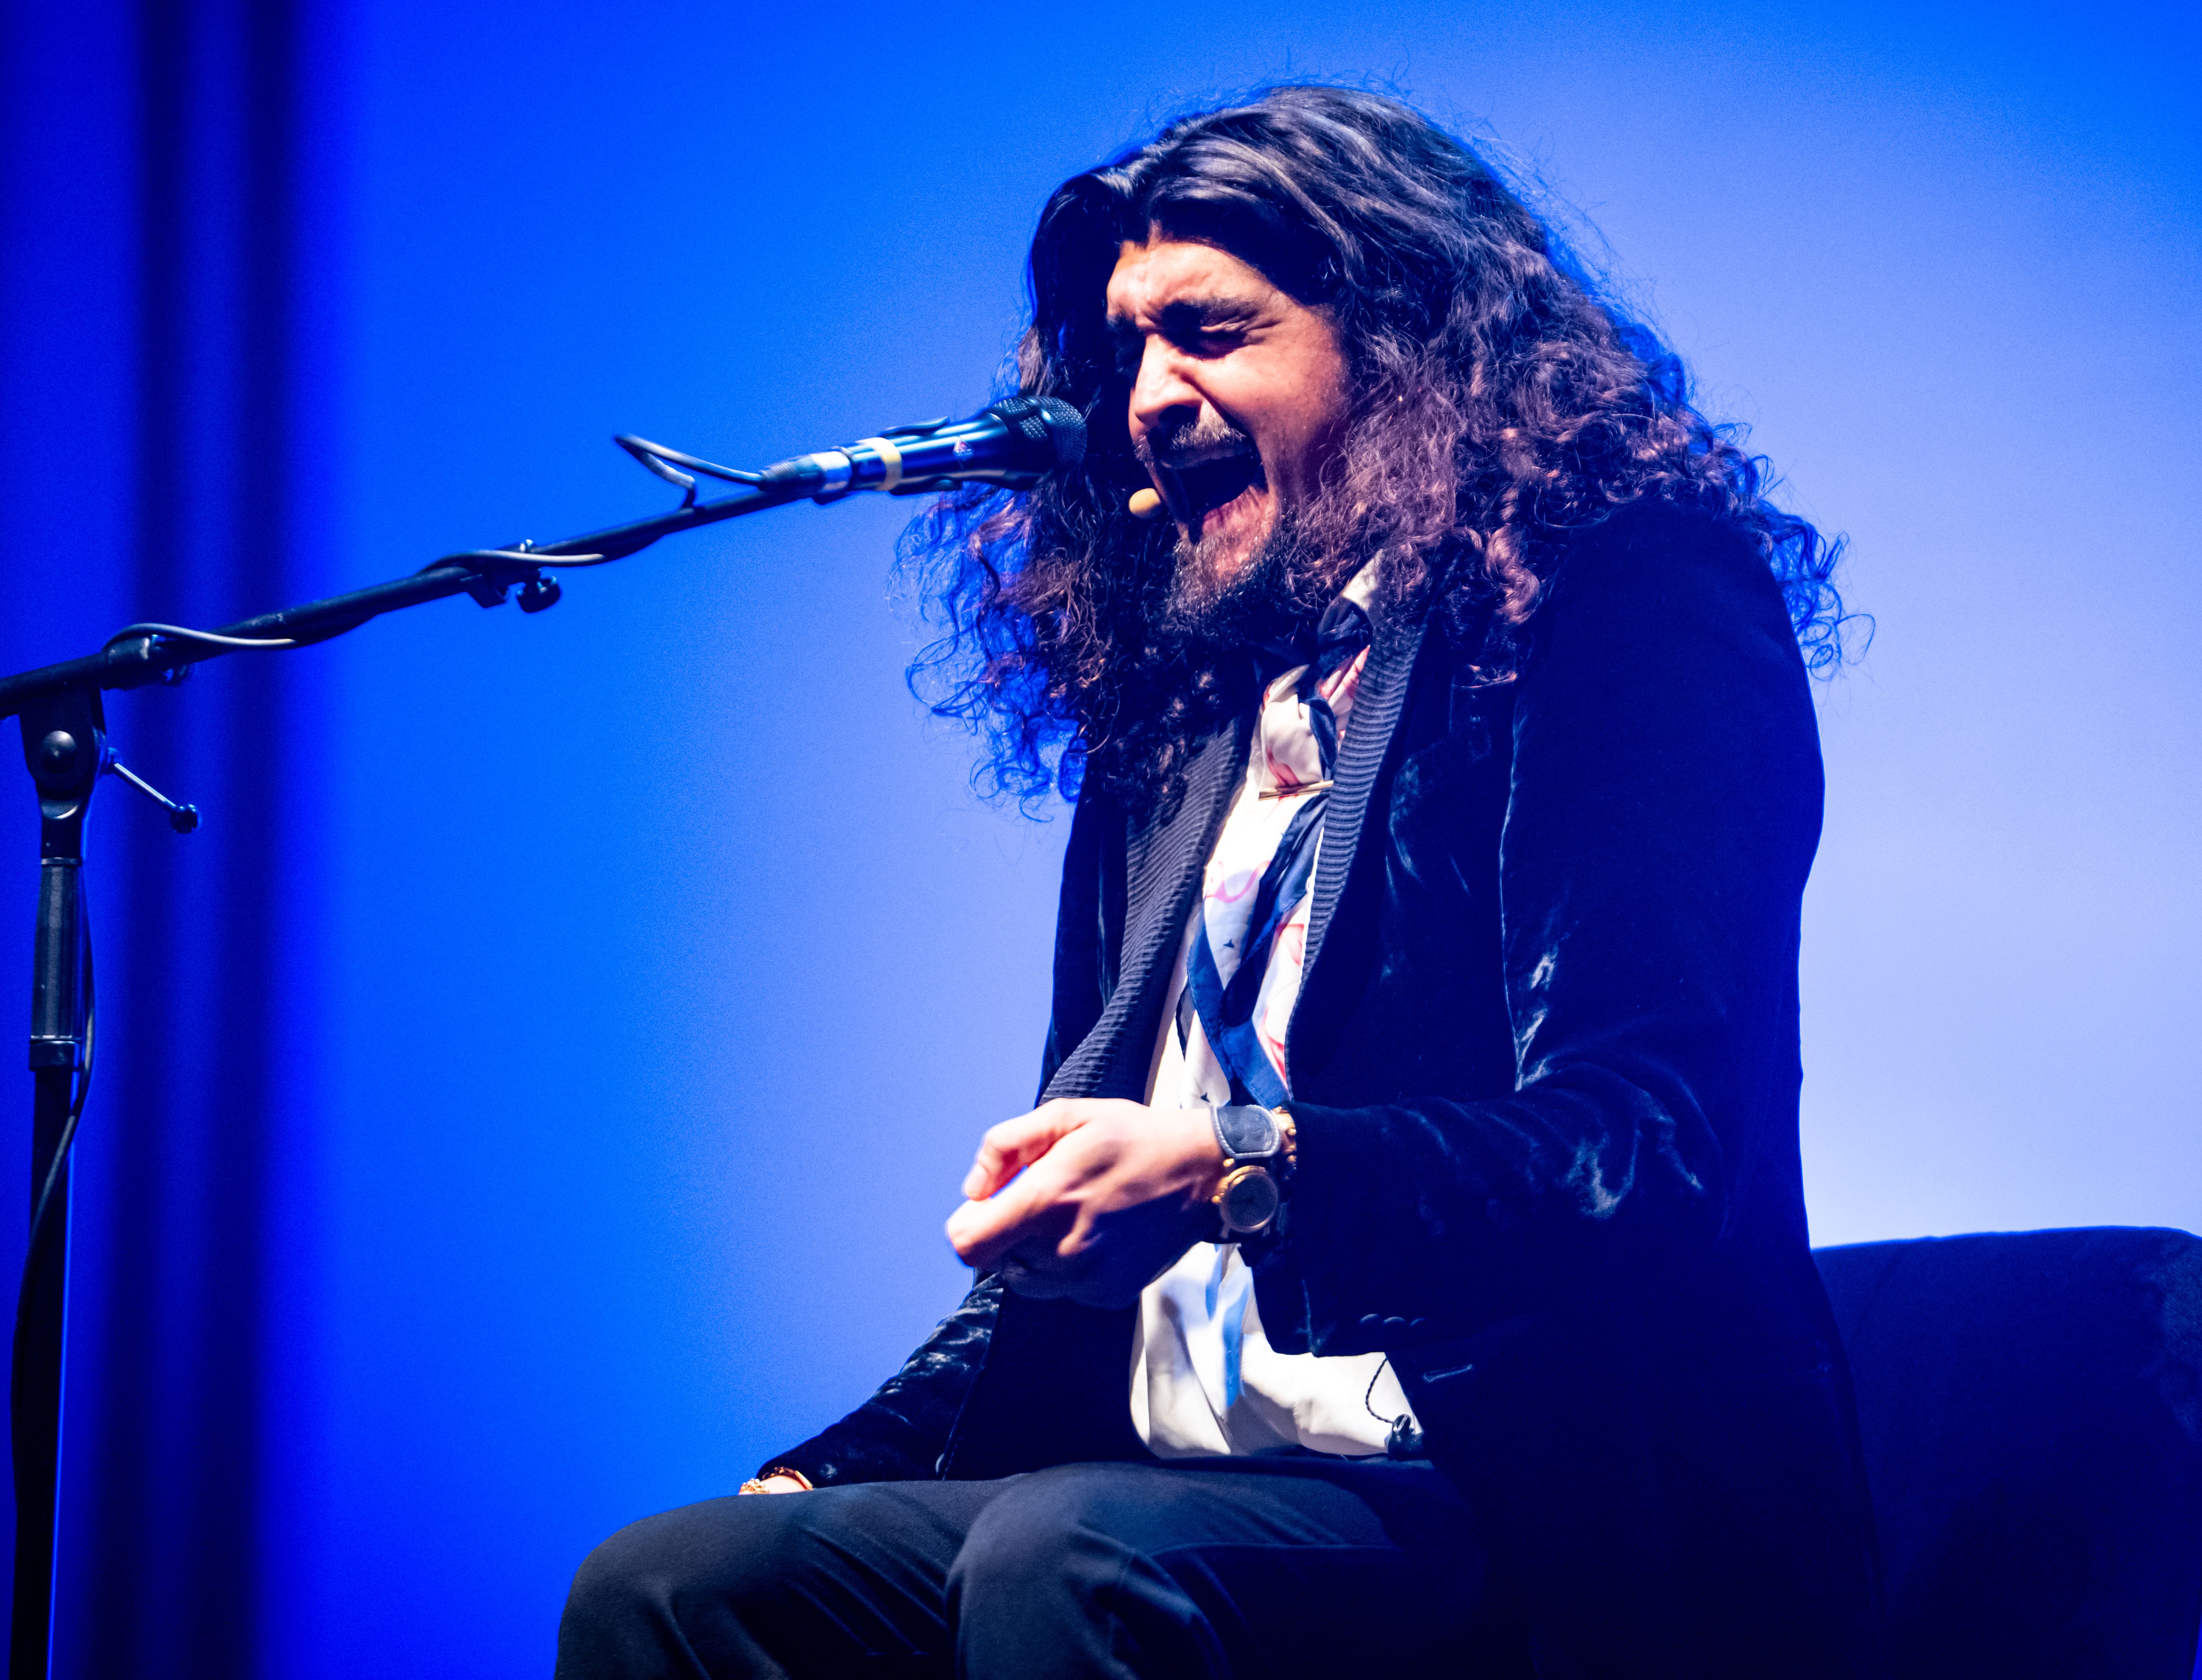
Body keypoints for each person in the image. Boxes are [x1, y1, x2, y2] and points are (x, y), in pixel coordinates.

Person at [556, 86, 1880, 1678]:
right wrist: (837, 1467)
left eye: (1209, 333)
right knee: (680, 1583)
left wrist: (1241, 1168)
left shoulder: (1623, 602)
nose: (1143, 400)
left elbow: (1651, 1148)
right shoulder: (1183, 715)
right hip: (1183, 1493)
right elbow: (1080, 1232)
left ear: (1406, 347)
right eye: (1126, 351)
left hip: (1534, 1508)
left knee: (1077, 1555)